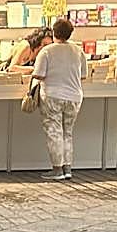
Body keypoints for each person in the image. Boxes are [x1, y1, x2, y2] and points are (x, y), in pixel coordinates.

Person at [32, 18, 86, 181]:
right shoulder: (78, 51)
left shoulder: (47, 51)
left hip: (52, 95)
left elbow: (39, 74)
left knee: (54, 131)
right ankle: (67, 168)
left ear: (54, 33)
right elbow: (83, 75)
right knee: (67, 132)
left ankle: (57, 169)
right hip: (74, 96)